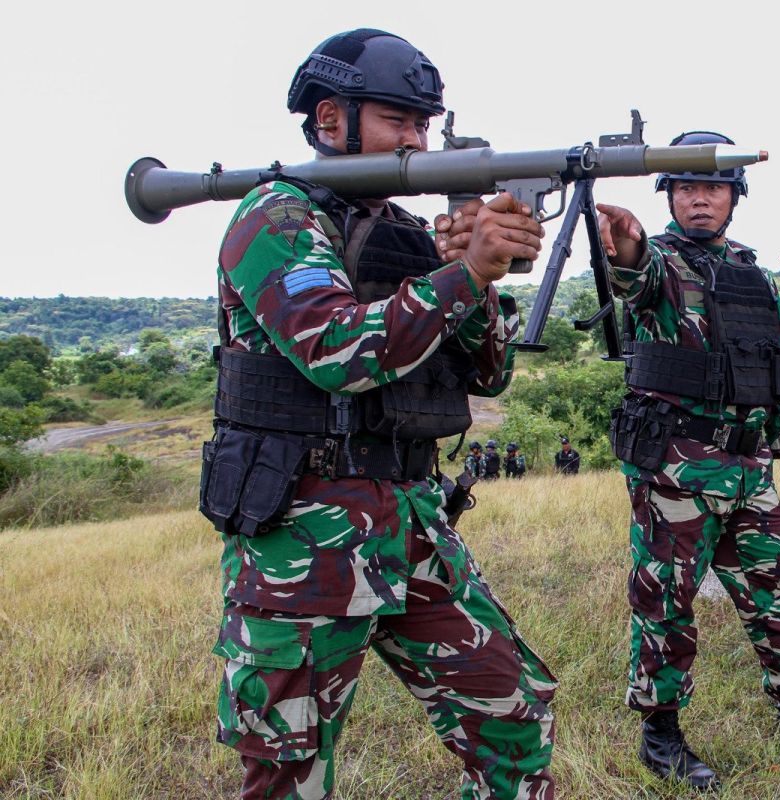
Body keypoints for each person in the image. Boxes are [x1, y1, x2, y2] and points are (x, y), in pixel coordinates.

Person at [203, 29, 556, 800]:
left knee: (515, 717)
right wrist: (462, 272)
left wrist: (476, 278)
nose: (418, 141)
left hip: (413, 517)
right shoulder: (275, 216)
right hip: (305, 528)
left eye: (424, 124)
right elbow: (337, 352)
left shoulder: (400, 230)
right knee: (289, 771)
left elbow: (488, 374)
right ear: (332, 118)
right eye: (400, 120)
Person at [597, 131, 780, 791]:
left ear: (734, 196)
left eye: (713, 187)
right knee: (666, 601)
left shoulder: (751, 271)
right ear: (670, 196)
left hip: (750, 465)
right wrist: (625, 248)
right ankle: (661, 733)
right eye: (686, 188)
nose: (700, 199)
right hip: (677, 468)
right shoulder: (661, 263)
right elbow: (632, 271)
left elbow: (779, 366)